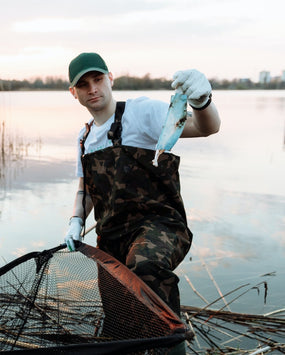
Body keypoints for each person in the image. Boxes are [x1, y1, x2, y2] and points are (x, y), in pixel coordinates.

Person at [63, 52, 220, 336]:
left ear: (110, 79)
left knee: (146, 268)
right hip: (112, 238)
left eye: (98, 79)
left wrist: (202, 102)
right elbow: (85, 189)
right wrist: (75, 221)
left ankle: (171, 344)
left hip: (159, 225)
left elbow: (205, 128)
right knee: (120, 320)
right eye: (83, 85)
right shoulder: (84, 138)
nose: (93, 88)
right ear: (74, 93)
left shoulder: (141, 112)